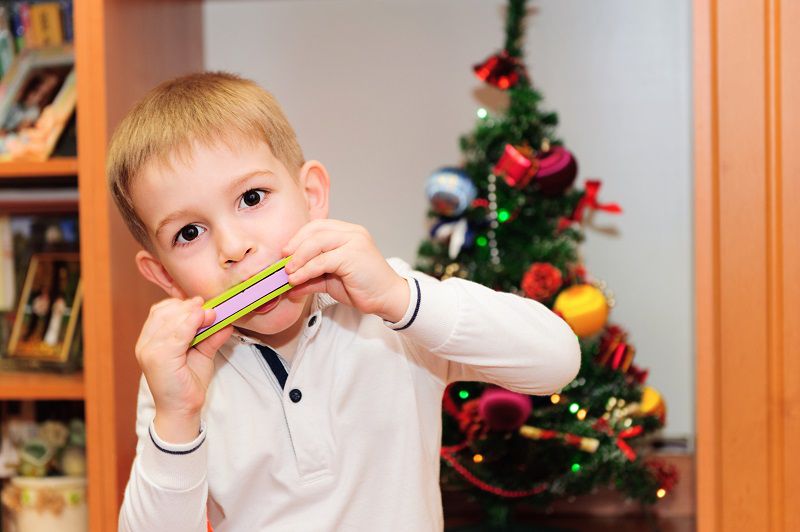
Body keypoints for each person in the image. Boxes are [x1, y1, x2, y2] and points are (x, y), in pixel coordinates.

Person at [108, 72, 581, 531]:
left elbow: (557, 361)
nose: (233, 247)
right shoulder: (178, 381)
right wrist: (176, 417)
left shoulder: (391, 309)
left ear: (311, 195)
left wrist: (402, 299)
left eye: (252, 197)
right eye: (189, 233)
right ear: (164, 275)